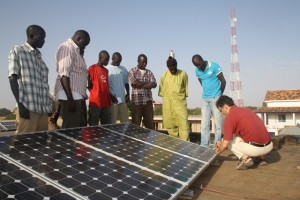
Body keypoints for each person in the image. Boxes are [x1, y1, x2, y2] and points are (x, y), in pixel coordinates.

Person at [8, 25, 52, 133]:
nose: (44, 41)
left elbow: (43, 85)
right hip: (28, 107)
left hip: (42, 109)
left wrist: (48, 106)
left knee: (41, 146)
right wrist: (20, 104)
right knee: (24, 145)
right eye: (41, 38)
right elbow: (12, 77)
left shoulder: (39, 58)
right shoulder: (18, 50)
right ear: (31, 36)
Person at [215, 95, 273, 170]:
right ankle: (259, 159)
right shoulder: (247, 110)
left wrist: (217, 152)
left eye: (221, 110)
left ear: (225, 107)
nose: (222, 113)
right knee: (237, 136)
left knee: (228, 141)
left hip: (256, 150)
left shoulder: (230, 117)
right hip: (269, 146)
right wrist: (222, 143)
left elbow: (225, 143)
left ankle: (246, 159)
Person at [54, 30, 90, 129]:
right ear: (79, 39)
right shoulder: (67, 48)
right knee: (71, 130)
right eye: (84, 44)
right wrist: (70, 99)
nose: (85, 47)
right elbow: (63, 74)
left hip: (77, 96)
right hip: (70, 96)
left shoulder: (77, 52)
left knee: (79, 129)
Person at [192, 54, 226, 148]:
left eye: (199, 64)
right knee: (204, 124)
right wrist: (207, 91)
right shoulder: (197, 71)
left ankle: (216, 147)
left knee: (218, 124)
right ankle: (204, 147)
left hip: (216, 98)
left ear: (202, 60)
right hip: (205, 99)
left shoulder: (214, 66)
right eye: (196, 66)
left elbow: (223, 81)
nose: (198, 67)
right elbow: (201, 82)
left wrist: (219, 96)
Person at [158, 57, 189, 141]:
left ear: (176, 65)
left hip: (180, 107)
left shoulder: (183, 74)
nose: (172, 70)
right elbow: (161, 92)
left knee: (184, 127)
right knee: (171, 127)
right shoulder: (163, 76)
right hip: (168, 108)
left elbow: (185, 90)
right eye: (170, 68)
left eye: (174, 67)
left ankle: (185, 148)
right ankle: (175, 147)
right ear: (167, 67)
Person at [128, 54, 157, 129]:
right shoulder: (132, 71)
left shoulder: (149, 72)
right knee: (135, 125)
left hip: (148, 102)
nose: (144, 64)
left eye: (146, 62)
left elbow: (154, 84)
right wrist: (148, 84)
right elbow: (135, 83)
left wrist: (141, 84)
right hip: (137, 103)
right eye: (142, 62)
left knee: (150, 125)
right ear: (138, 61)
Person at [87, 50, 112, 125]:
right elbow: (88, 84)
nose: (107, 61)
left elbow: (105, 85)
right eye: (106, 59)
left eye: (108, 59)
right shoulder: (92, 68)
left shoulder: (106, 71)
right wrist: (95, 92)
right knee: (93, 125)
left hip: (106, 102)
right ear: (101, 58)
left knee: (107, 126)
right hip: (96, 102)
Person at [107, 52, 130, 124]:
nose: (119, 62)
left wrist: (128, 94)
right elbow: (105, 86)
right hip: (112, 101)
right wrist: (111, 96)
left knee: (125, 123)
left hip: (122, 100)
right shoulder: (107, 69)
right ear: (112, 59)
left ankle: (124, 135)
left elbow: (126, 83)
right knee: (112, 122)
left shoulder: (123, 69)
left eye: (120, 61)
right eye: (117, 61)